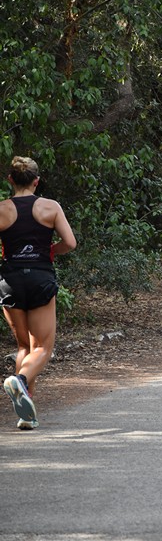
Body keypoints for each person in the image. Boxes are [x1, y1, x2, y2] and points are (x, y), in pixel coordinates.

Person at [0, 156, 76, 430]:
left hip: (10, 280)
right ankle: (19, 382)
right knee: (43, 347)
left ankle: (27, 414)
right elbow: (70, 242)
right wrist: (51, 250)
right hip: (41, 278)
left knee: (23, 346)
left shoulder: (2, 209)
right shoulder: (50, 207)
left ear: (10, 180)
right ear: (36, 181)